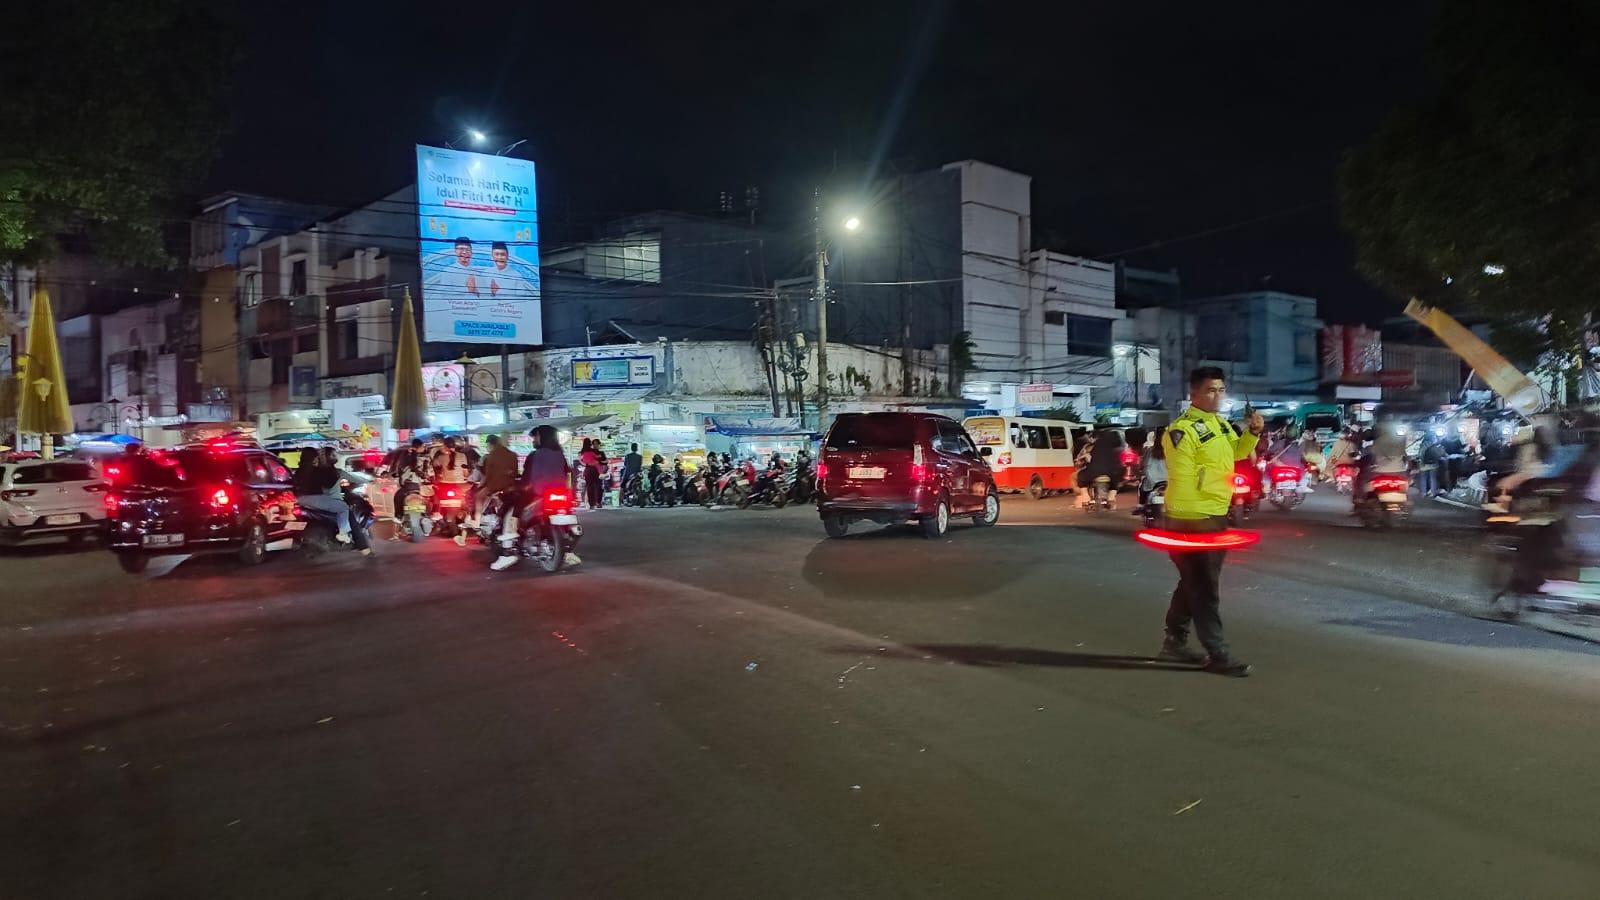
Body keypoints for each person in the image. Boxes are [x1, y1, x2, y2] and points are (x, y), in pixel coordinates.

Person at [1157, 367, 1263, 677]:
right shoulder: (1181, 431)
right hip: (1191, 519)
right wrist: (1194, 525)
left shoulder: (1220, 425)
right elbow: (1184, 476)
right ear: (1194, 394)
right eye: (1210, 390)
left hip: (1215, 514)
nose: (1217, 395)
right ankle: (1218, 652)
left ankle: (1174, 642)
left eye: (1220, 390)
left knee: (1193, 582)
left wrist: (1253, 434)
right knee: (1204, 588)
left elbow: (1236, 453)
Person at [493, 425, 580, 571]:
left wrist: (516, 488)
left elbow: (527, 479)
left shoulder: (534, 455)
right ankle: (569, 552)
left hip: (538, 494)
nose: (533, 440)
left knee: (511, 515)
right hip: (561, 494)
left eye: (535, 437)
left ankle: (508, 552)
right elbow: (568, 475)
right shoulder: (560, 454)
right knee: (566, 515)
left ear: (542, 437)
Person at [431, 436, 471, 545]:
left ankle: (436, 512)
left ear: (445, 446)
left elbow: (436, 471)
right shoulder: (462, 456)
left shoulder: (440, 457)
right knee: (469, 502)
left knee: (434, 495)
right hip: (461, 486)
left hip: (444, 486)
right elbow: (466, 473)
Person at [476, 434, 519, 525]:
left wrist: (482, 485)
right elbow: (515, 473)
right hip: (510, 487)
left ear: (491, 445)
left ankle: (477, 521)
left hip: (494, 487)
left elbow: (488, 475)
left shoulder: (491, 456)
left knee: (478, 497)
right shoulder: (513, 455)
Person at [1077, 429, 1125, 507]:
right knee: (1115, 481)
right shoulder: (1118, 447)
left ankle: (1086, 497)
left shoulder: (1093, 446)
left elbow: (1088, 458)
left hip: (1094, 471)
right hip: (1113, 472)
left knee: (1081, 476)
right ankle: (1111, 497)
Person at [1134, 426, 1168, 515]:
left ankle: (1140, 506)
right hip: (1170, 482)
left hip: (1152, 483)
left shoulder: (1150, 450)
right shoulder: (1173, 450)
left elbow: (1144, 465)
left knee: (1143, 489)